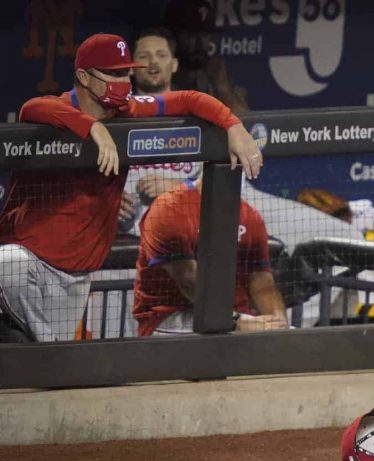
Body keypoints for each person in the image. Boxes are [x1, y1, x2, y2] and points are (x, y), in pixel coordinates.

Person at [0, 32, 262, 342]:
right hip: (29, 258)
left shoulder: (128, 111)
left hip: (76, 273)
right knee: (8, 264)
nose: (122, 81)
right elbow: (31, 107)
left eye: (125, 72)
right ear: (83, 77)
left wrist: (232, 124)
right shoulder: (55, 110)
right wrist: (92, 126)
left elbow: (190, 99)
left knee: (42, 356)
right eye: (112, 73)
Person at [133, 177, 287, 336]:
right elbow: (188, 280)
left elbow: (261, 282)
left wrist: (279, 324)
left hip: (236, 316)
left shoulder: (250, 216)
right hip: (170, 316)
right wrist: (234, 321)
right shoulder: (169, 207)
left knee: (290, 342)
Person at [118, 27, 201, 235]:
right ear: (130, 68)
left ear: (174, 65)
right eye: (144, 56)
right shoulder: (113, 118)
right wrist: (106, 199)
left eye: (161, 55)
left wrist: (179, 188)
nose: (153, 62)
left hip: (182, 236)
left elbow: (227, 183)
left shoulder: (198, 116)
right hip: (123, 239)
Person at [165, 0, 249, 112]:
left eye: (205, 35)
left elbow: (248, 123)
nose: (199, 43)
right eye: (191, 35)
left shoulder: (216, 71)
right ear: (174, 34)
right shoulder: (162, 73)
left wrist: (223, 88)